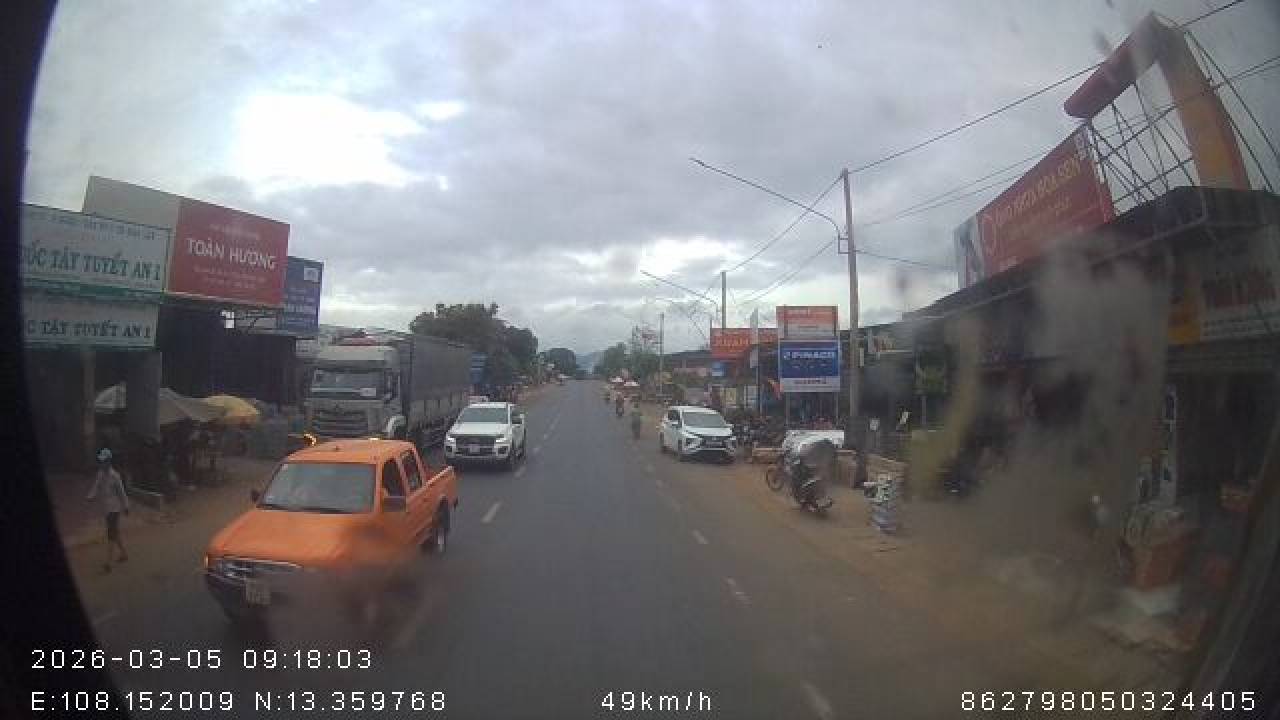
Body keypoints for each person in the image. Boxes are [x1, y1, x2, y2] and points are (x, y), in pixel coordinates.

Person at [87, 448, 129, 573]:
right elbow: (96, 486)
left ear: (109, 461)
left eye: (104, 461)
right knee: (115, 532)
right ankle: (124, 554)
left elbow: (122, 493)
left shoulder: (115, 476)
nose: (101, 463)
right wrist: (91, 496)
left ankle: (108, 562)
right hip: (106, 509)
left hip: (114, 509)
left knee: (111, 534)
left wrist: (126, 506)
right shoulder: (100, 474)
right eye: (101, 461)